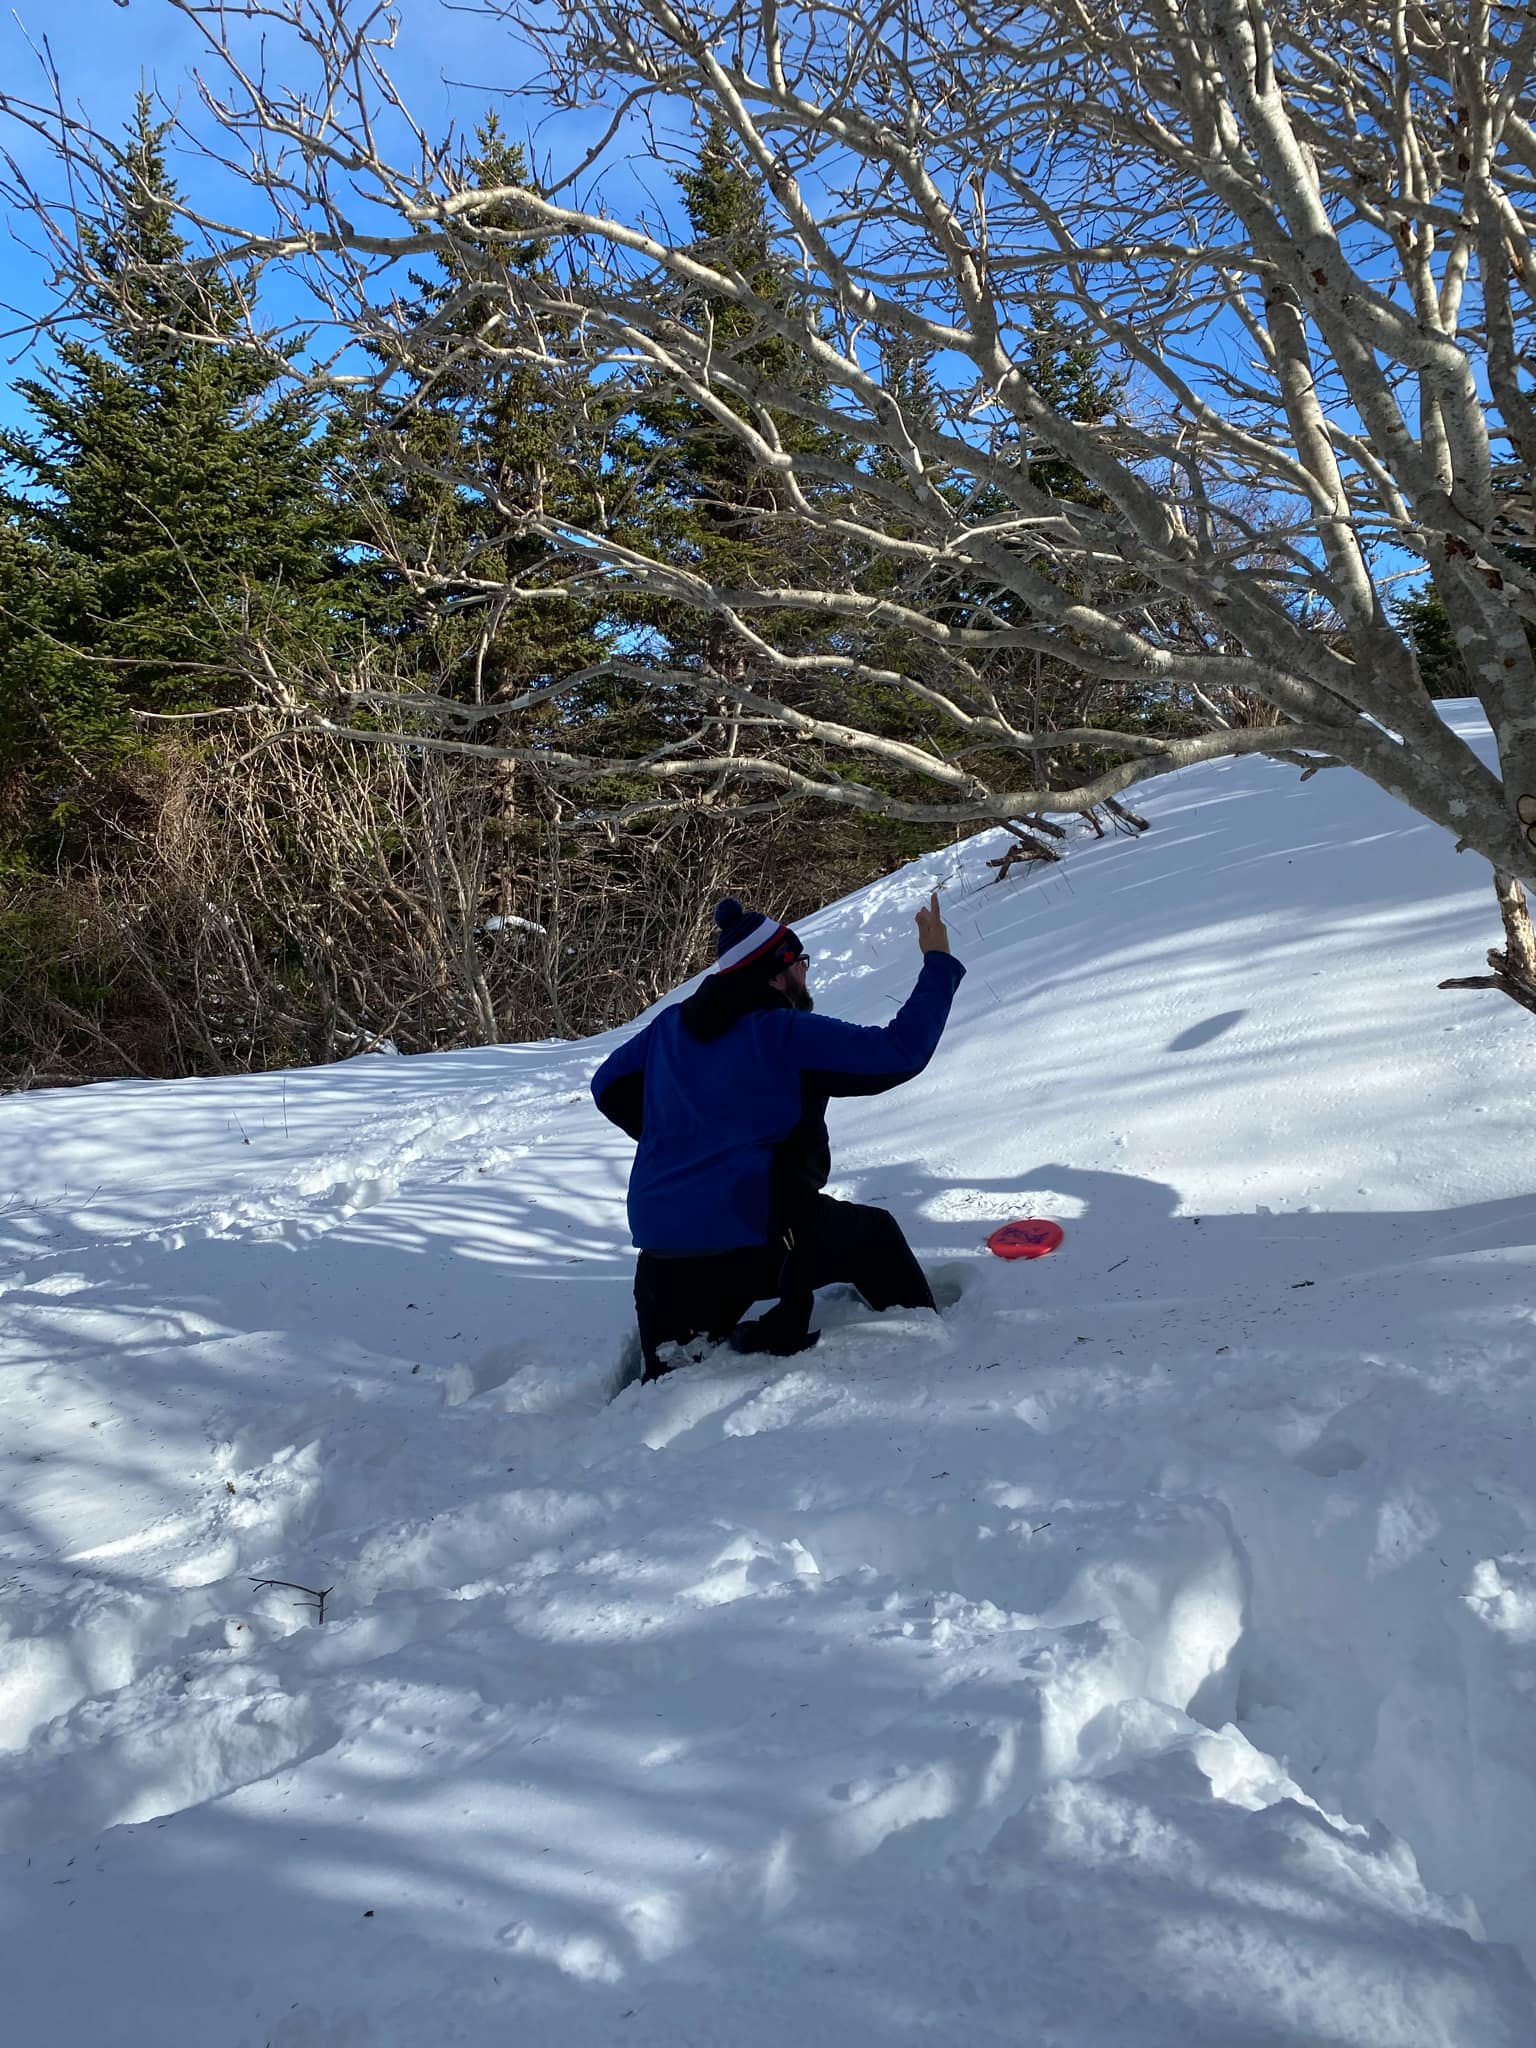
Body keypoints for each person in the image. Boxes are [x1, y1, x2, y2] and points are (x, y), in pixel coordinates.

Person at [591, 890, 966, 1379]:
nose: (806, 973)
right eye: (801, 962)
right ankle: (928, 1347)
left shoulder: (669, 1028)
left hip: (662, 1264)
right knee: (875, 1236)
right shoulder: (782, 1033)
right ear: (777, 971)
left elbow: (606, 1085)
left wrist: (675, 1135)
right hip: (756, 1244)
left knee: (669, 1379)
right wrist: (937, 960)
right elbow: (899, 1052)